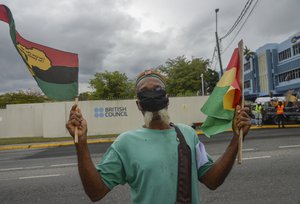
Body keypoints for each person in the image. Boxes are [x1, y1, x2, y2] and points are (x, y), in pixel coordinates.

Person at [66, 70, 252, 204]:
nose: (152, 94)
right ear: (138, 104)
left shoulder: (188, 134)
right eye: (145, 91)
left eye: (157, 89)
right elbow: (95, 193)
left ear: (167, 98)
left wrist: (237, 139)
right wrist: (81, 144)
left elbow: (212, 180)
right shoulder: (125, 143)